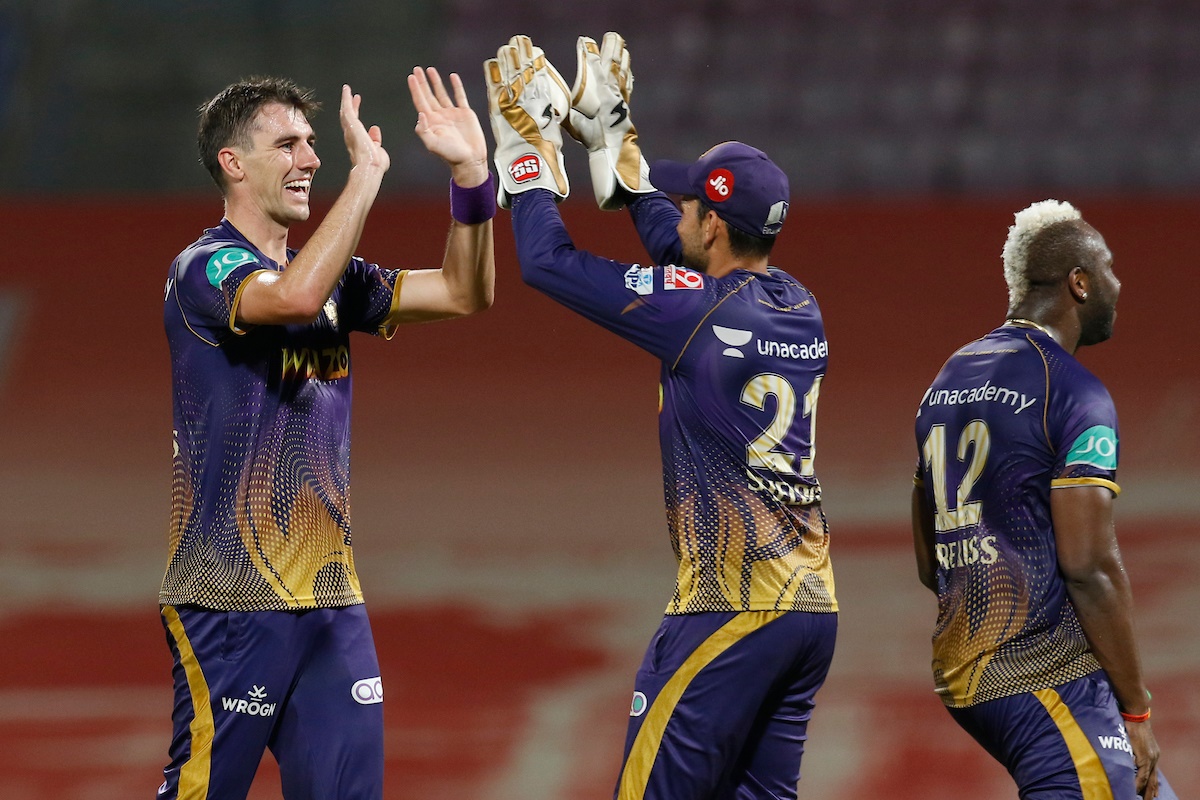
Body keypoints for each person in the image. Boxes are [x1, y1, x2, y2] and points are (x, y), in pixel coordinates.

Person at [485, 34, 837, 799]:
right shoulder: (798, 304)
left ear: (714, 227)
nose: (675, 206)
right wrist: (610, 136)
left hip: (727, 609)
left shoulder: (693, 313)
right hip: (810, 611)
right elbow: (666, 241)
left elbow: (547, 262)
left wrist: (528, 154)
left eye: (690, 201)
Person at [158, 69, 495, 799]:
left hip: (331, 601)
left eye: (313, 143)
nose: (312, 158)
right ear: (233, 163)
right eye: (289, 145)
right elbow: (293, 296)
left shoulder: (337, 281)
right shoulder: (205, 268)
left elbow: (465, 292)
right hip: (232, 600)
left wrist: (471, 178)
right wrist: (367, 178)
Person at [911, 200, 1175, 799]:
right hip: (1043, 676)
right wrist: (1135, 711)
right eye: (1108, 267)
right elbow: (1089, 567)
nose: (1119, 281)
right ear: (1079, 283)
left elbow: (931, 562)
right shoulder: (1075, 393)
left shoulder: (947, 379)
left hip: (965, 675)